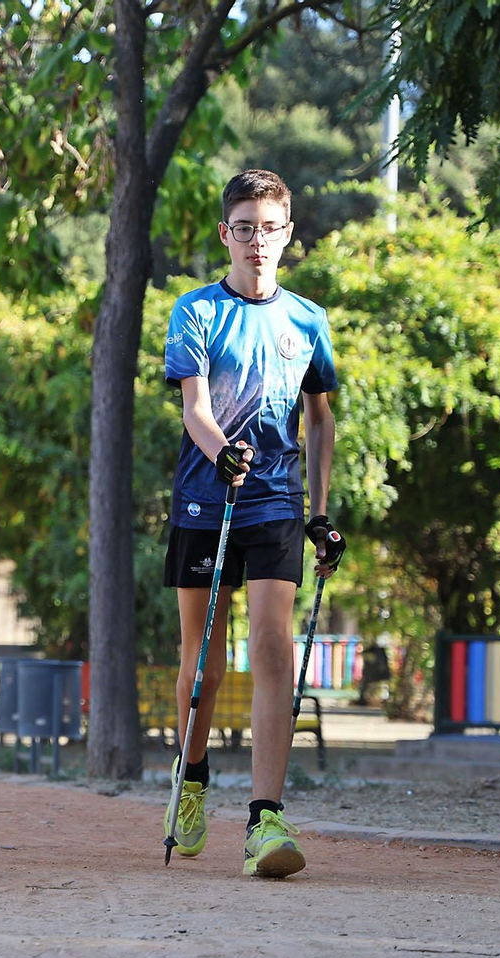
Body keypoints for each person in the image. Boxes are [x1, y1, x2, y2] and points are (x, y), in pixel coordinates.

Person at [161, 169, 345, 878]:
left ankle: (265, 818)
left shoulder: (307, 319)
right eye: (244, 228)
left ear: (287, 234)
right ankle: (194, 775)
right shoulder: (197, 311)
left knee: (272, 647)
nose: (257, 241)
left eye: (269, 228)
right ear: (225, 236)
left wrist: (321, 512)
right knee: (200, 666)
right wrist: (222, 451)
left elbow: (320, 418)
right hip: (206, 499)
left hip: (274, 501)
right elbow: (195, 407)